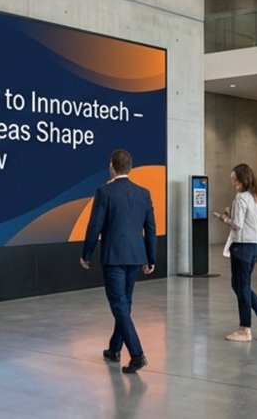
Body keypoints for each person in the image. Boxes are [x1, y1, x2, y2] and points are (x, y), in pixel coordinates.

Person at [80, 148, 156, 374]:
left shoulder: (104, 192)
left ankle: (137, 354)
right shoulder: (143, 193)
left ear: (111, 167)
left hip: (113, 257)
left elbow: (95, 226)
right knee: (125, 303)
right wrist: (150, 257)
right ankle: (114, 349)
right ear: (129, 168)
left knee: (119, 305)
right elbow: (150, 228)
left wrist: (86, 254)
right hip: (135, 256)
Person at [215, 163, 257, 342]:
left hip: (242, 246)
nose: (233, 182)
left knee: (241, 287)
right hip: (254, 246)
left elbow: (238, 225)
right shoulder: (255, 198)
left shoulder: (241, 198)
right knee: (240, 285)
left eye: (235, 179)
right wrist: (232, 214)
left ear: (243, 179)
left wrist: (225, 218)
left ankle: (245, 329)